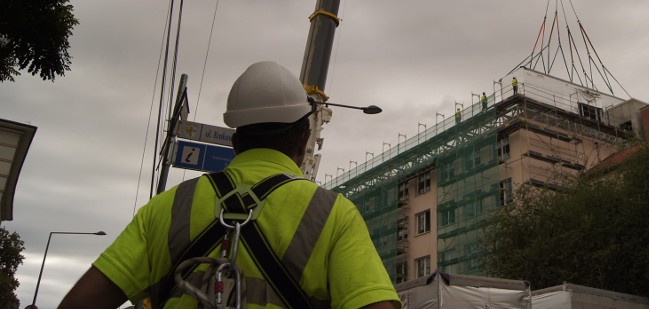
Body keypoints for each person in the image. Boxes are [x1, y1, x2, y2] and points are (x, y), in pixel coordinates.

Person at [59, 61, 400, 309]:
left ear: (236, 141)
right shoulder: (333, 214)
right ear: (305, 138)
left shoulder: (167, 207)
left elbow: (80, 304)